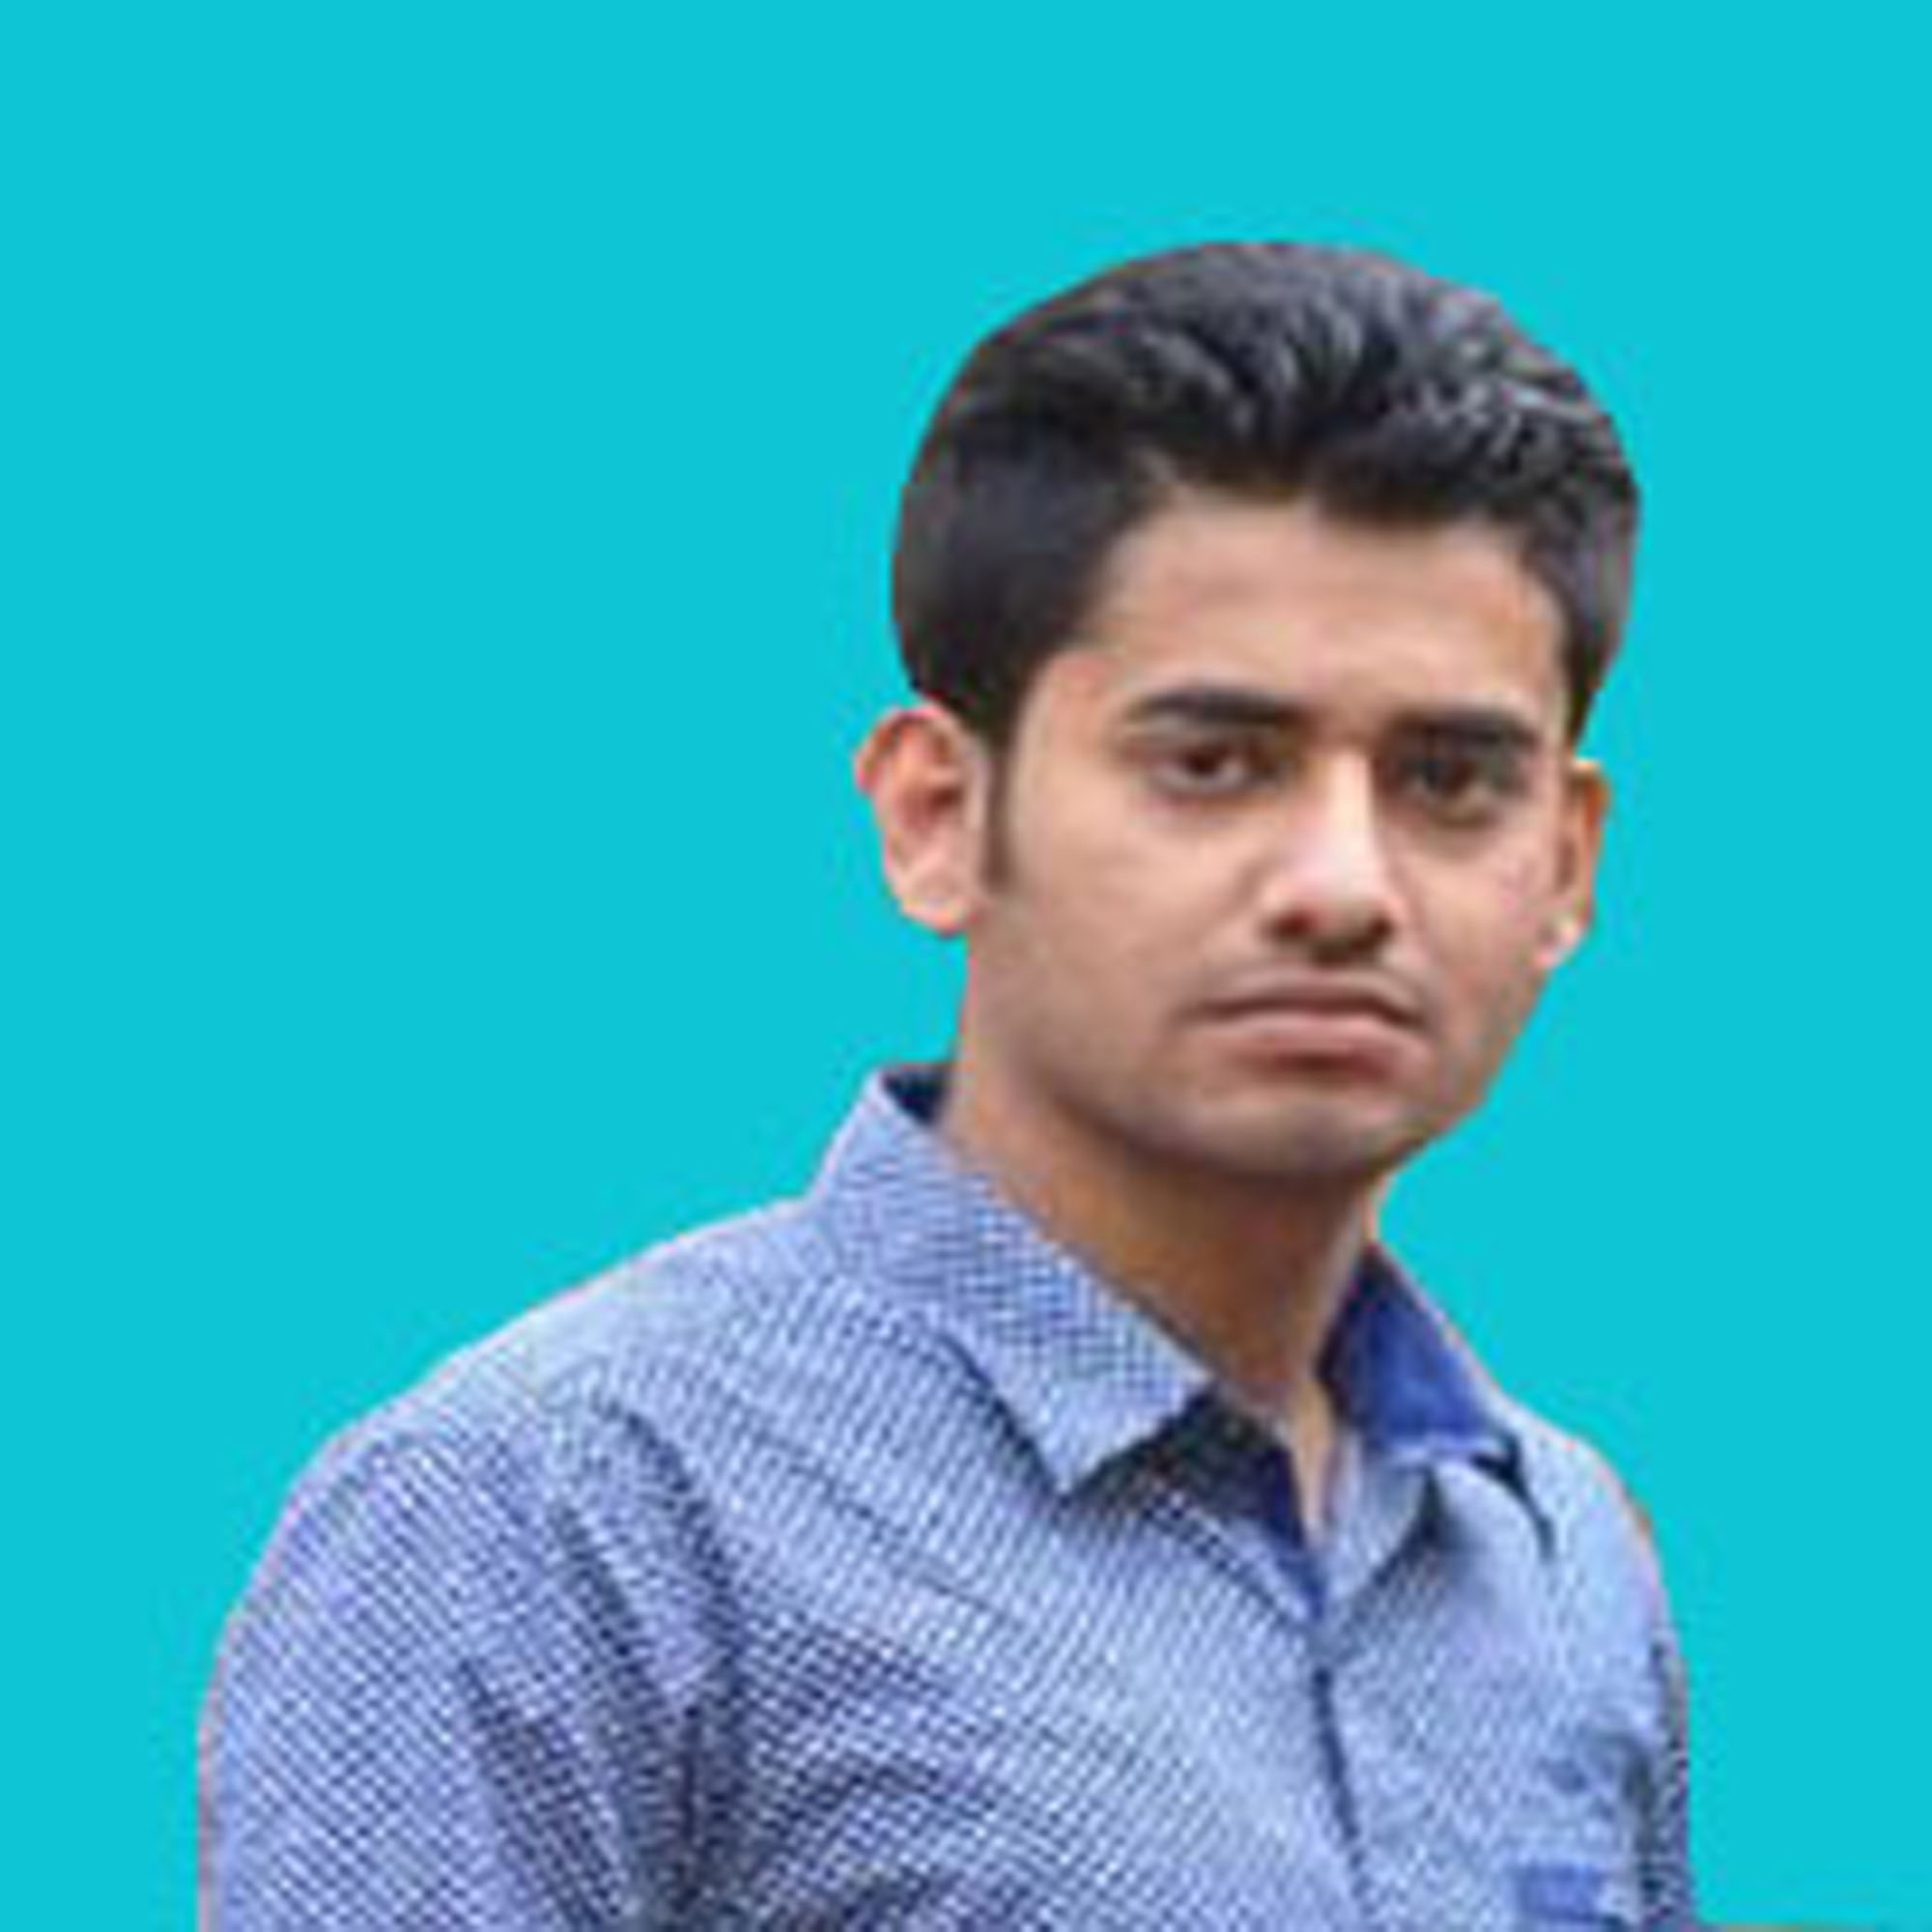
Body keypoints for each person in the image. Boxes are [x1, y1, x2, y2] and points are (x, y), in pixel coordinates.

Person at [201, 242, 1696, 1928]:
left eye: (1449, 779)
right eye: (1215, 763)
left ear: (1568, 860)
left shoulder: (1560, 1560)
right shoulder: (559, 1511)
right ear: (935, 813)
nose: (1343, 884)